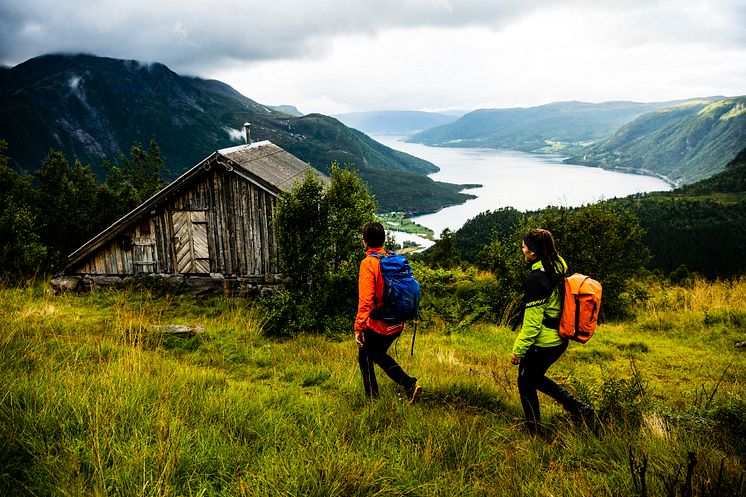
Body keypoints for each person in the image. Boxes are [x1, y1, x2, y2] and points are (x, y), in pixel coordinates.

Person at [510, 228, 593, 432]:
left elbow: (532, 325)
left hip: (544, 342)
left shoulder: (537, 280)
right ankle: (578, 409)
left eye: (524, 246)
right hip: (559, 339)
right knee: (534, 378)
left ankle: (534, 429)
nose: (522, 250)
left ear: (533, 251)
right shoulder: (556, 266)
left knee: (526, 382)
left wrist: (518, 351)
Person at [355, 221, 422, 402]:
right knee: (377, 354)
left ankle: (373, 400)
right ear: (383, 240)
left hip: (381, 323)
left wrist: (359, 327)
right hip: (398, 321)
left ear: (365, 241)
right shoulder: (394, 258)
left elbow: (366, 301)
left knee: (365, 356)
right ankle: (409, 385)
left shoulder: (369, 263)